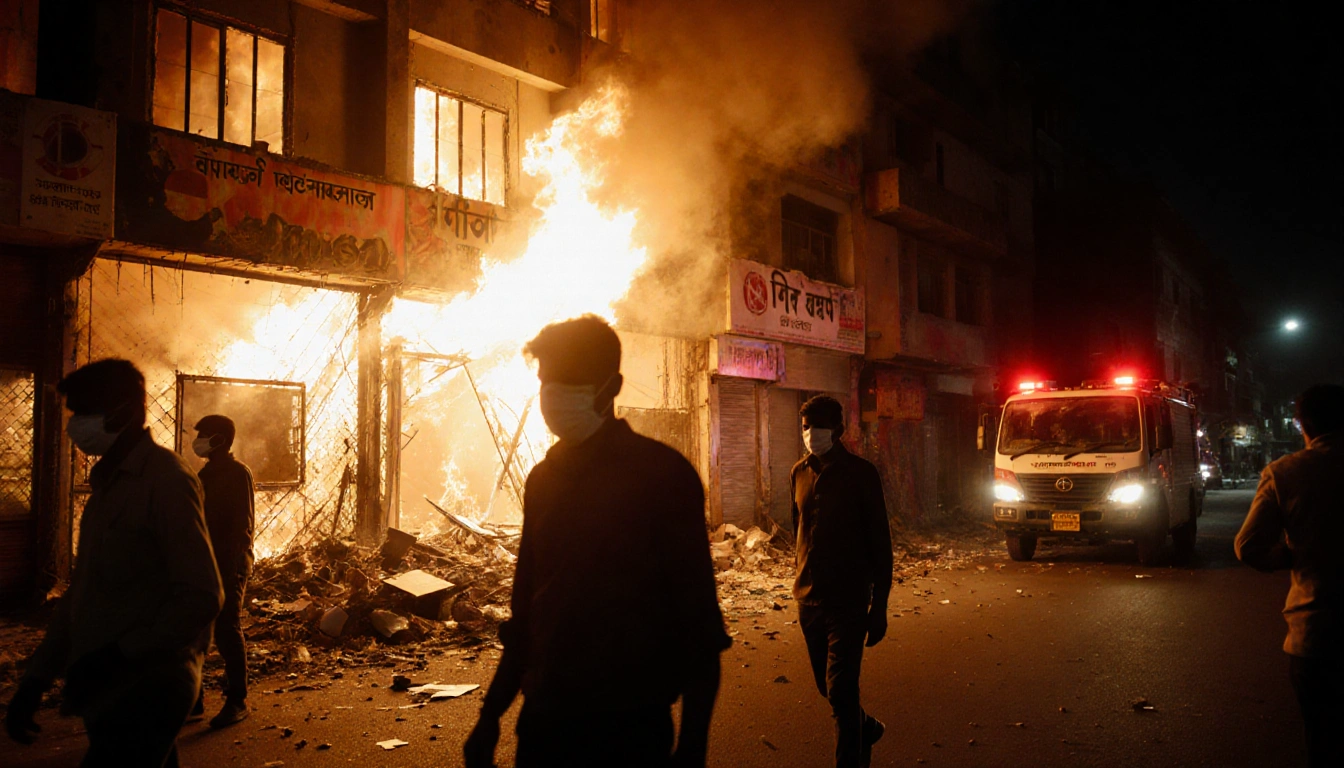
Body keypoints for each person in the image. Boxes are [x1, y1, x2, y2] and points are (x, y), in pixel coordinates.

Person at [464, 315, 730, 768]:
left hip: (629, 731)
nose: (553, 395)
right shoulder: (542, 480)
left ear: (613, 387)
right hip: (543, 726)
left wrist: (692, 748)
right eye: (548, 381)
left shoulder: (663, 476)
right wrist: (489, 718)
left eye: (569, 381)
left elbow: (699, 628)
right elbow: (527, 613)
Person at [4, 359, 223, 766]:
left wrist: (116, 656)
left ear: (120, 413)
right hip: (108, 689)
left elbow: (201, 596)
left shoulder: (166, 481)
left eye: (82, 412)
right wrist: (36, 678)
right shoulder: (107, 484)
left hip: (149, 687)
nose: (74, 426)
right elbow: (83, 592)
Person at [1235, 384, 1344, 768]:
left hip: (1316, 633)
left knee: (1322, 738)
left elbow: (1247, 546)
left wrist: (1292, 554)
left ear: (1304, 425)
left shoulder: (1286, 472)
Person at [790, 395, 893, 768]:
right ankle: (867, 727)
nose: (810, 434)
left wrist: (878, 605)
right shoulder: (798, 473)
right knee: (829, 691)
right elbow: (797, 530)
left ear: (837, 430)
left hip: (848, 603)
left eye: (817, 427)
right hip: (809, 601)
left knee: (842, 692)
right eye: (805, 428)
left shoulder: (862, 475)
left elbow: (881, 543)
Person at [189, 414, 256, 728]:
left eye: (204, 434)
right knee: (195, 630)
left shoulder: (236, 473)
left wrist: (229, 567)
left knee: (227, 629)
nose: (198, 439)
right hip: (205, 562)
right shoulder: (206, 474)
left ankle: (237, 701)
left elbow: (242, 527)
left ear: (221, 440)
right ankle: (193, 701)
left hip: (228, 564)